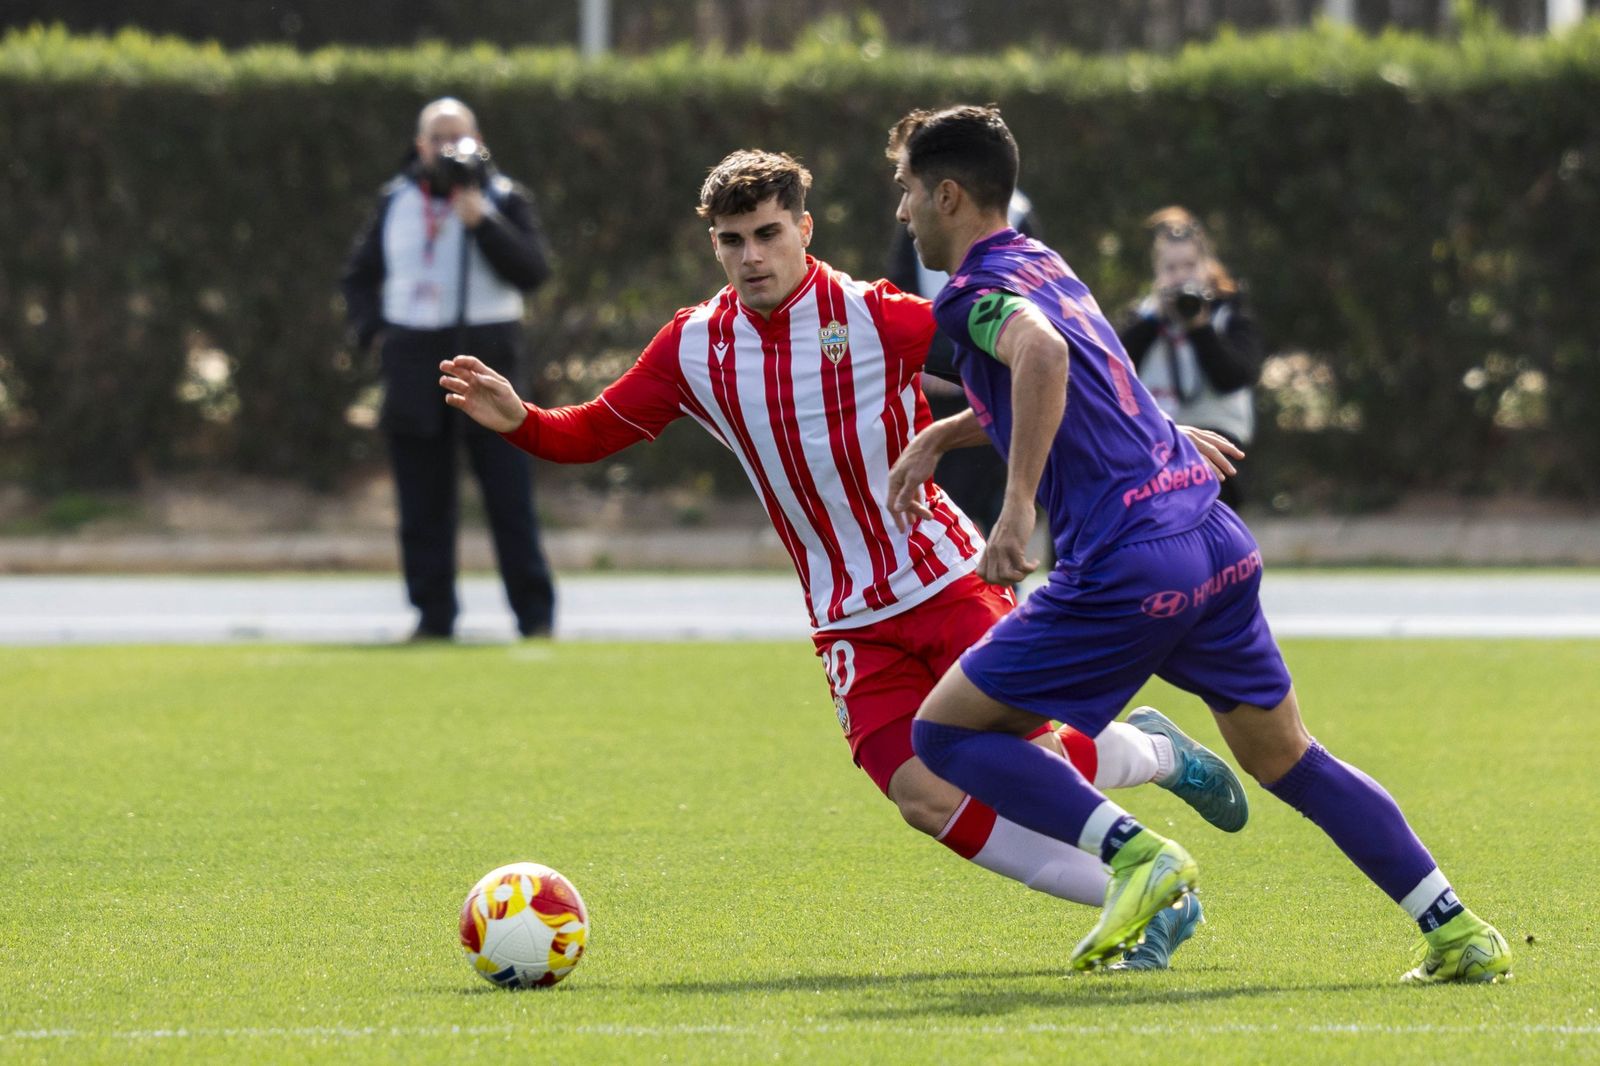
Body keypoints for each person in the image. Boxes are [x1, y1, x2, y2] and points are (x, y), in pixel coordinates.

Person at [440, 149, 1250, 967]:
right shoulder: (693, 347)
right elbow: (594, 430)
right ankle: (1155, 890)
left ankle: (1152, 759)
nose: (751, 255)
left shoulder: (875, 314)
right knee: (924, 797)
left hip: (944, 580)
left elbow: (1036, 364)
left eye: (766, 233)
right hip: (846, 620)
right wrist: (523, 421)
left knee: (1014, 758)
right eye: (731, 240)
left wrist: (1147, 428)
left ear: (804, 228)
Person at [885, 104, 1510, 980]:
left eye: (908, 190)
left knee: (945, 736)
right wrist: (945, 436)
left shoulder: (972, 293)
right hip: (1212, 532)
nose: (902, 211)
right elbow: (1086, 380)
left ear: (947, 194)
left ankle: (1139, 853)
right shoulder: (1046, 265)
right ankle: (1455, 929)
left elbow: (1044, 363)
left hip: (1127, 561)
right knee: (1286, 755)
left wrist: (1016, 509)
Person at [340, 97, 557, 641]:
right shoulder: (395, 201)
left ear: (479, 140)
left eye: (458, 137)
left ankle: (534, 615)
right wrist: (375, 334)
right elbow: (358, 276)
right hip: (415, 361)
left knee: (509, 497)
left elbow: (533, 271)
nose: (448, 148)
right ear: (419, 147)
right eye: (437, 138)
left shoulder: (503, 198)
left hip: (489, 361)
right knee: (422, 501)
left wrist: (482, 222)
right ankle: (433, 615)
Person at [886, 189, 1039, 534]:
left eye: (908, 184)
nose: (902, 212)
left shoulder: (1018, 221)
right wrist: (930, 364)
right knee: (949, 521)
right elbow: (900, 297)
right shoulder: (916, 229)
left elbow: (1046, 350)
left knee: (1000, 519)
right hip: (941, 395)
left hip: (994, 390)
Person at [1121, 207, 1263, 509]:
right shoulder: (1143, 318)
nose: (1181, 276)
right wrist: (1151, 322)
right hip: (1159, 443)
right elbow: (1115, 370)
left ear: (1207, 267)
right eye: (1171, 268)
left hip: (1217, 442)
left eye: (1189, 266)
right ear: (1157, 274)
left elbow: (1234, 377)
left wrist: (1200, 329)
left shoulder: (1230, 314)